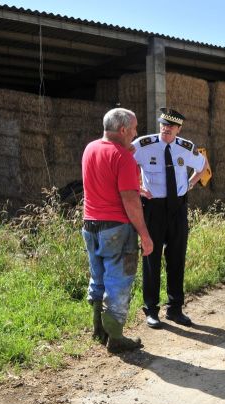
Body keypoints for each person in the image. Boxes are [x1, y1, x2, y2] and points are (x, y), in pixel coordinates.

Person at [82, 108, 154, 353]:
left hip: (90, 225)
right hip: (116, 228)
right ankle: (116, 337)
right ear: (123, 130)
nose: (136, 133)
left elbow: (106, 180)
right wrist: (144, 234)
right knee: (119, 281)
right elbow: (130, 200)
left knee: (98, 276)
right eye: (133, 129)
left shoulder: (90, 149)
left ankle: (98, 330)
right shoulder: (124, 158)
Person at [132, 107, 210, 329]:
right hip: (153, 208)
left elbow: (202, 166)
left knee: (176, 258)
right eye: (163, 125)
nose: (166, 129)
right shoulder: (143, 145)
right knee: (151, 257)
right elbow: (126, 162)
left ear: (178, 129)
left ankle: (175, 309)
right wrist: (136, 186)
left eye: (171, 127)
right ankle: (151, 310)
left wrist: (191, 184)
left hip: (177, 207)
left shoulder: (186, 147)